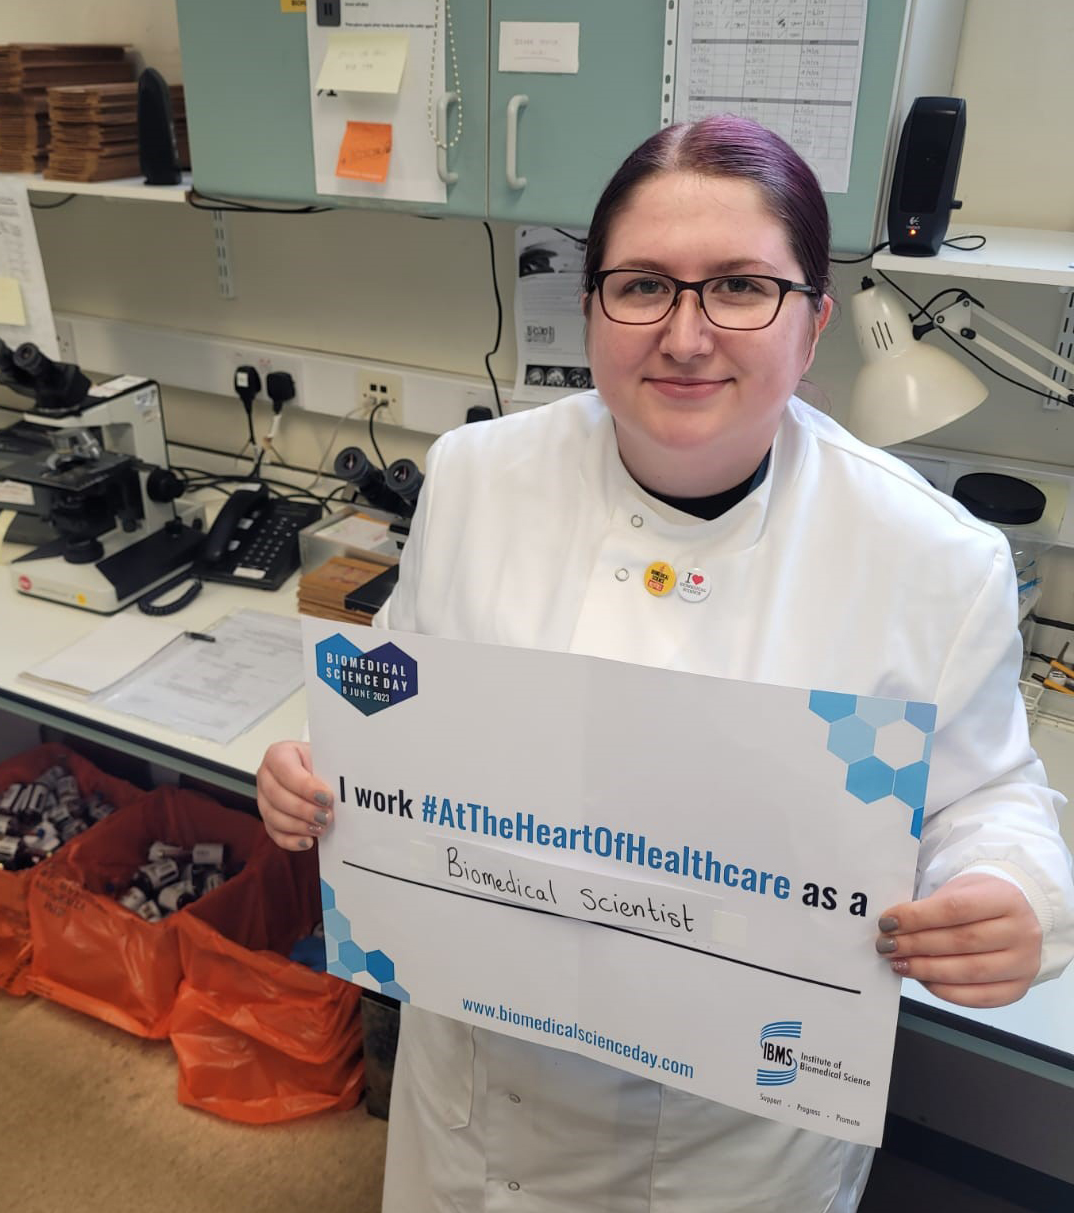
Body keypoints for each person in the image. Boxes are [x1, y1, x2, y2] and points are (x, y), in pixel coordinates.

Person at [256, 115, 1074, 1212]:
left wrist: (1008, 893)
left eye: (740, 287)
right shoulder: (479, 477)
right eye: (642, 286)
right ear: (592, 307)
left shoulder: (927, 558)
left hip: (728, 1142)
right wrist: (319, 765)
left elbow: (990, 795)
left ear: (816, 320)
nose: (686, 335)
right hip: (479, 1095)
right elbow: (405, 691)